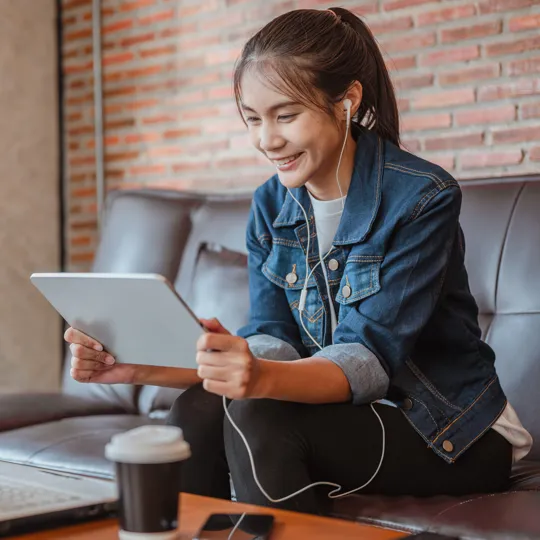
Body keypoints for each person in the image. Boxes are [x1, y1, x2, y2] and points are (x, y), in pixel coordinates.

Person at [65, 7, 532, 516]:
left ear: (347, 101)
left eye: (286, 115)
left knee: (260, 416)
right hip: (344, 418)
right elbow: (273, 339)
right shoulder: (271, 206)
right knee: (199, 408)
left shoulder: (422, 198)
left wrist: (259, 378)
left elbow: (366, 359)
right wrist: (140, 367)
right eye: (253, 119)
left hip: (450, 433)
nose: (267, 139)